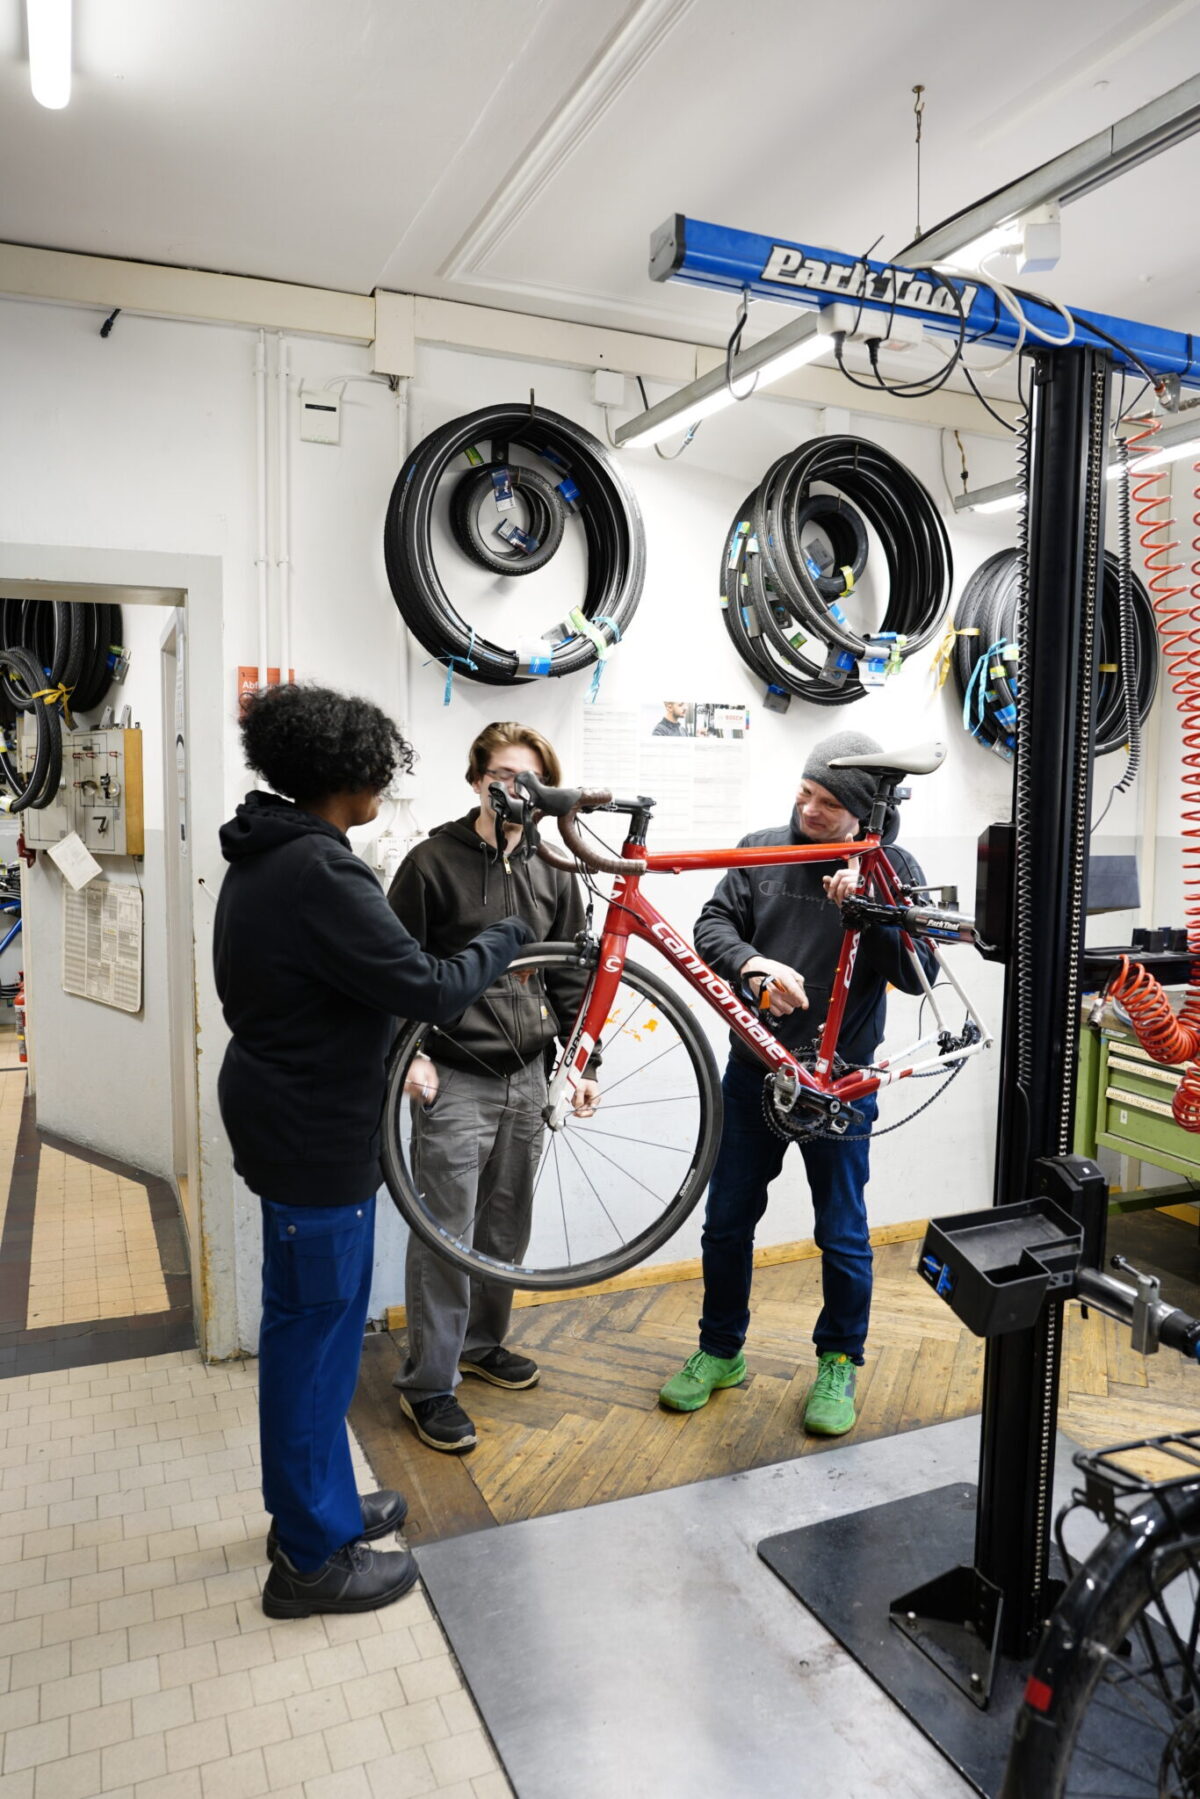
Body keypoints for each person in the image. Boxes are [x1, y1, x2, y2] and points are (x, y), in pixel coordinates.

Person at [213, 684, 532, 1617]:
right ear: (346, 778)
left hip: (287, 1114)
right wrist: (504, 938)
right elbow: (429, 987)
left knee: (305, 1330)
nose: (386, 793)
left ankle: (311, 1509)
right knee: (316, 1342)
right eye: (380, 778)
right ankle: (311, 1562)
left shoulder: (272, 848)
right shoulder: (320, 870)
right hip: (313, 1131)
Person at [658, 730, 936, 1436]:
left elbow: (919, 972)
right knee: (725, 1222)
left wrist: (868, 912)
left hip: (840, 1085)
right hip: (755, 1074)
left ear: (862, 811)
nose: (807, 808)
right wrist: (752, 965)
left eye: (826, 801)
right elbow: (712, 922)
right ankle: (720, 1350)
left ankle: (840, 1359)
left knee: (840, 1233)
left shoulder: (889, 866)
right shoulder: (763, 848)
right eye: (804, 793)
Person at [387, 722, 600, 1452]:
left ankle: (480, 1346)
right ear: (476, 778)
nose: (517, 790)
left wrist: (582, 1063)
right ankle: (429, 1384)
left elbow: (574, 975)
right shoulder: (429, 863)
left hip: (527, 1076)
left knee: (504, 1227)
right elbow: (391, 970)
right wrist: (403, 1056)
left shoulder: (555, 870)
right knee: (445, 1234)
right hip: (452, 1075)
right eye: (505, 775)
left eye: (532, 779)